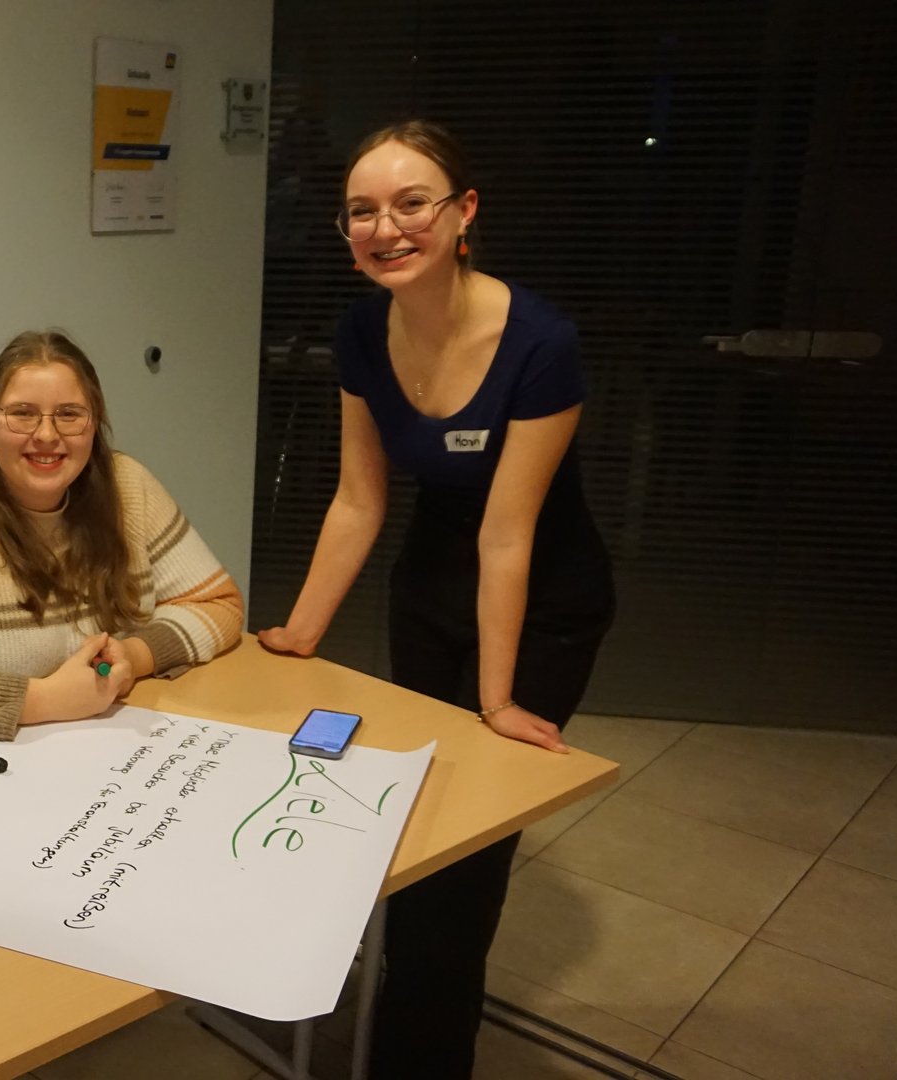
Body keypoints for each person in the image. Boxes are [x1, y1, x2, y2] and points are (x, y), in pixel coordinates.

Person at [258, 121, 615, 1079]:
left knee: (469, 846)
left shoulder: (539, 342)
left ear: (462, 213)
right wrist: (298, 632)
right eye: (361, 211)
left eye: (411, 202)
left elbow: (509, 536)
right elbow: (356, 499)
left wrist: (497, 702)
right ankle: (395, 1007)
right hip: (429, 581)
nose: (386, 228)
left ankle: (421, 1053)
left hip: (542, 598)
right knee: (412, 810)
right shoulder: (358, 331)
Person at [0, 330, 242, 737]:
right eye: (22, 413)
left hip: (111, 744)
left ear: (94, 423)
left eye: (69, 414)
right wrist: (45, 699)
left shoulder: (129, 486)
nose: (47, 436)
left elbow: (218, 604)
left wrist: (133, 657)